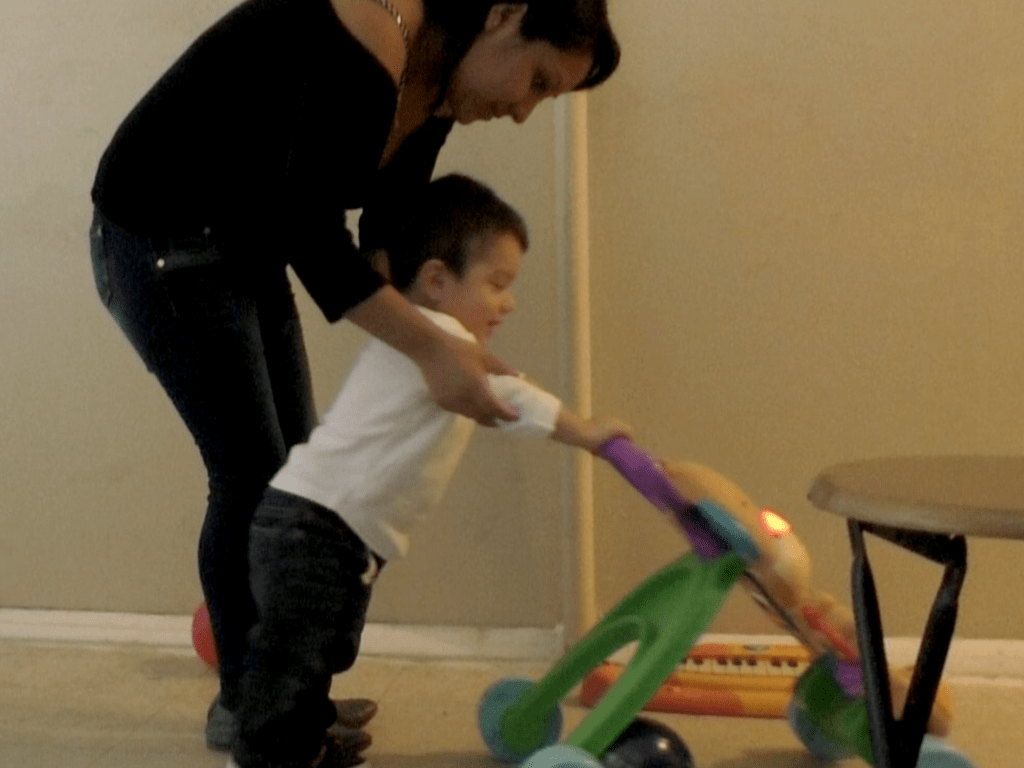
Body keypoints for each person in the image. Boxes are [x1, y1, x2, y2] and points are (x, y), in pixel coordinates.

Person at [87, 0, 620, 752]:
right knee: (252, 480)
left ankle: (288, 695)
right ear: (504, 13)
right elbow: (312, 231)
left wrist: (448, 341)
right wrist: (435, 351)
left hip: (243, 240)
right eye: (536, 80)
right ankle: (252, 706)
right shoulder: (365, 32)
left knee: (303, 476)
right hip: (160, 239)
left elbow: (387, 231)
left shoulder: (436, 86)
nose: (526, 111)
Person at [232, 173, 634, 768]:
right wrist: (587, 433)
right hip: (316, 526)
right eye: (497, 283)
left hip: (330, 528)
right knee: (298, 650)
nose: (509, 301)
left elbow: (494, 399)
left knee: (321, 644)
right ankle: (273, 751)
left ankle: (303, 729)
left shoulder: (436, 346)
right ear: (437, 281)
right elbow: (509, 397)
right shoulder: (439, 336)